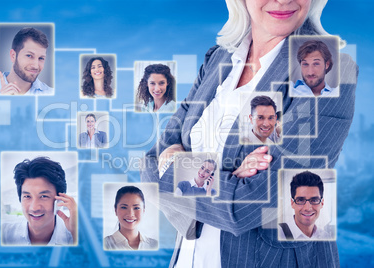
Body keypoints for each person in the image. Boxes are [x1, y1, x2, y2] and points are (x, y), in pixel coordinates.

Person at [141, 0, 357, 267]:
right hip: (191, 256)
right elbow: (150, 165)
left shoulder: (327, 69)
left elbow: (245, 206)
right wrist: (230, 177)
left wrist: (175, 166)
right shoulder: (218, 59)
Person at [2, 157, 77, 246]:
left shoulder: (73, 236)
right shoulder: (5, 234)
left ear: (59, 200)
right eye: (27, 196)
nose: (34, 208)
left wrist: (75, 232)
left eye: (43, 196)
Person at [0, 27, 54, 95]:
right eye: (29, 56)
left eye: (41, 58)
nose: (35, 66)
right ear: (13, 56)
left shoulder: (50, 93)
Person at [279, 171, 331, 240]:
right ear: (292, 203)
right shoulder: (278, 233)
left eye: (314, 200)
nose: (308, 208)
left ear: (322, 203)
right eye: (300, 200)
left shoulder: (326, 237)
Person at [104, 186, 158, 250]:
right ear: (115, 210)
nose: (130, 214)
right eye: (124, 207)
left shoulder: (154, 244)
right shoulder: (105, 244)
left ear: (143, 210)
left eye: (136, 208)